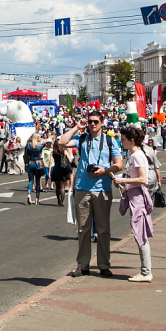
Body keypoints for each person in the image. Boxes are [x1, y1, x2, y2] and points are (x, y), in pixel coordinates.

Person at [59, 113, 123, 278]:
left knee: (103, 229)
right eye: (90, 121)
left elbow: (119, 165)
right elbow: (62, 142)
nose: (92, 124)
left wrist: (104, 171)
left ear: (102, 123)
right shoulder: (81, 139)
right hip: (82, 188)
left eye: (96, 122)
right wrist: (76, 127)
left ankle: (103, 264)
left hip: (102, 188)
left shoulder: (110, 141)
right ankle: (83, 265)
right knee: (83, 229)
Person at [113, 126, 154, 283]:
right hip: (134, 195)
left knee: (140, 233)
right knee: (139, 232)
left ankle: (146, 272)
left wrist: (123, 180)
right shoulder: (136, 155)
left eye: (123, 140)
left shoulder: (137, 155)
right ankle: (145, 270)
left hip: (137, 197)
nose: (121, 142)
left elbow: (142, 179)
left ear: (131, 141)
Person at [49, 140, 74, 207]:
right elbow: (69, 160)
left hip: (56, 169)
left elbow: (51, 162)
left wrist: (49, 172)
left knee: (57, 186)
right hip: (63, 169)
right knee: (62, 186)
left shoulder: (53, 152)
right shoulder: (64, 151)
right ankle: (62, 202)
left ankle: (58, 200)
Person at [24, 132, 46, 205]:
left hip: (30, 162)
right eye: (39, 137)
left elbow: (25, 155)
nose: (40, 138)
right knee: (38, 181)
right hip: (38, 163)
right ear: (37, 138)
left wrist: (25, 164)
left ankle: (29, 194)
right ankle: (37, 198)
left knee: (31, 181)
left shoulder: (28, 145)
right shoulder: (40, 146)